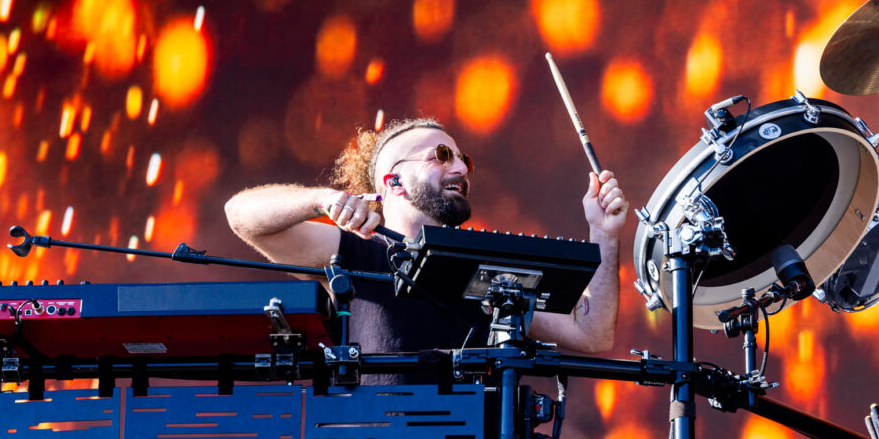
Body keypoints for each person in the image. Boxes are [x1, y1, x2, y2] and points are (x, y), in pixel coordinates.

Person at [224, 116, 629, 354]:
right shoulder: (355, 250)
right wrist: (321, 199)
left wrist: (603, 233)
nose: (461, 169)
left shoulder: (488, 266)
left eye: (464, 160)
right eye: (442, 156)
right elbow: (241, 216)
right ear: (393, 182)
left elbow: (591, 334)